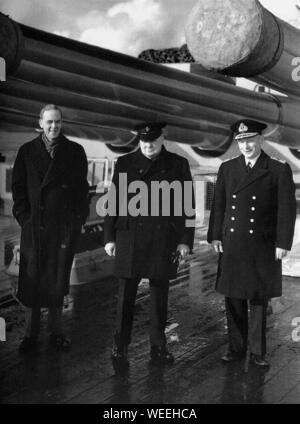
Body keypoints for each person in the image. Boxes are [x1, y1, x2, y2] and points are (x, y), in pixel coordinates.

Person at [207, 119, 296, 367]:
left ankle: (258, 352)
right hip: (233, 243)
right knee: (233, 296)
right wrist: (214, 235)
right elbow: (219, 206)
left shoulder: (278, 169)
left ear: (261, 140)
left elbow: (286, 211)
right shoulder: (228, 168)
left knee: (258, 298)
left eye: (250, 140)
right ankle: (236, 348)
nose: (246, 146)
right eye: (241, 141)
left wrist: (283, 243)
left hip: (262, 244)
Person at [104, 122, 195, 365]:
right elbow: (113, 202)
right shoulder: (124, 164)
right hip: (130, 237)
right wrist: (109, 238)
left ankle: (158, 347)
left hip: (162, 238)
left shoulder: (177, 164)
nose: (148, 146)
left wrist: (185, 241)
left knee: (159, 297)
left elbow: (187, 205)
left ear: (162, 138)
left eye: (152, 141)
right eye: (144, 142)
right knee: (125, 298)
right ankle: (120, 346)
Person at [12, 104, 89, 353]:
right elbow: (19, 189)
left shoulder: (75, 152)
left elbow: (81, 190)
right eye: (49, 122)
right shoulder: (26, 152)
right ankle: (30, 335)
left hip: (61, 229)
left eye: (57, 122)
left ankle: (56, 332)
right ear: (40, 123)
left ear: (61, 122)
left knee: (57, 281)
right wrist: (25, 218)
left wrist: (77, 220)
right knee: (32, 281)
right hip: (34, 228)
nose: (53, 126)